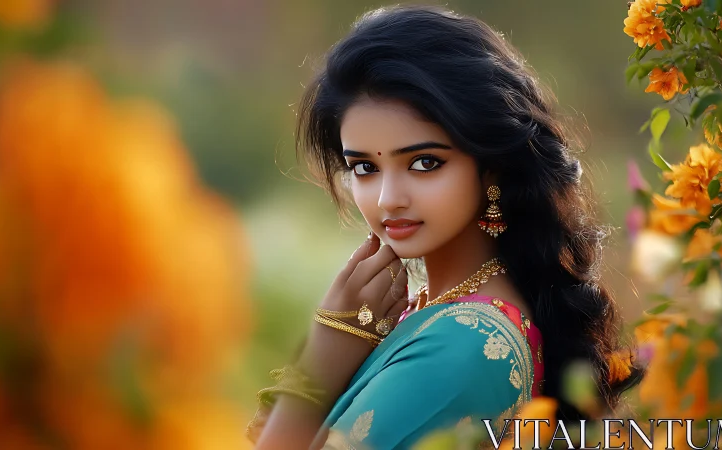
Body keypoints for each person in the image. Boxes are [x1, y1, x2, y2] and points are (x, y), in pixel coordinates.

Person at [247, 5, 643, 449]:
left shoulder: (467, 346)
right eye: (364, 167)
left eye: (424, 163)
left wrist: (323, 358)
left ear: (491, 167)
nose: (386, 198)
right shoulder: (431, 315)